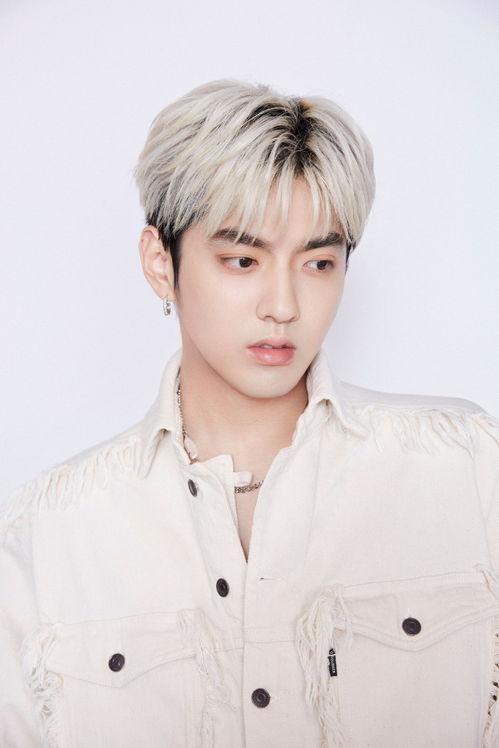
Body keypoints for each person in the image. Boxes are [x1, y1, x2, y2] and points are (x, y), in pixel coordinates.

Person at [1, 77, 498, 748]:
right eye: (242, 259)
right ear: (160, 263)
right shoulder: (48, 534)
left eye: (318, 263)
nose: (283, 306)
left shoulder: (466, 470)